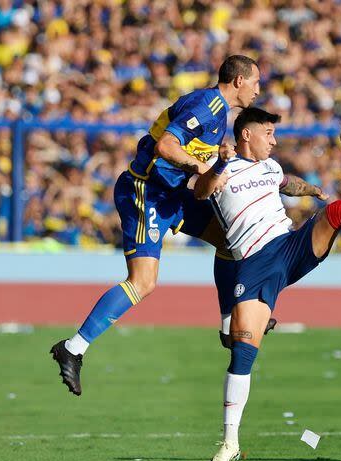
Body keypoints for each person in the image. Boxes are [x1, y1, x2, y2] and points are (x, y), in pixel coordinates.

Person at [194, 107, 341, 461]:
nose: (273, 140)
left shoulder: (270, 168)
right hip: (253, 264)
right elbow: (201, 191)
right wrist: (220, 164)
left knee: (334, 212)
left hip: (288, 246)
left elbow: (288, 183)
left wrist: (312, 190)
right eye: (268, 133)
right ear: (246, 136)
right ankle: (230, 441)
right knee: (242, 352)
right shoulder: (221, 167)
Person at [50, 55, 260, 396]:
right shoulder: (208, 107)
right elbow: (166, 146)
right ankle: (72, 348)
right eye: (256, 82)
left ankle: (227, 327)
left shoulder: (217, 111)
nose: (258, 90)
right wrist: (201, 168)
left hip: (171, 193)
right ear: (238, 81)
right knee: (143, 282)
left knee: (230, 243)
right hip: (146, 192)